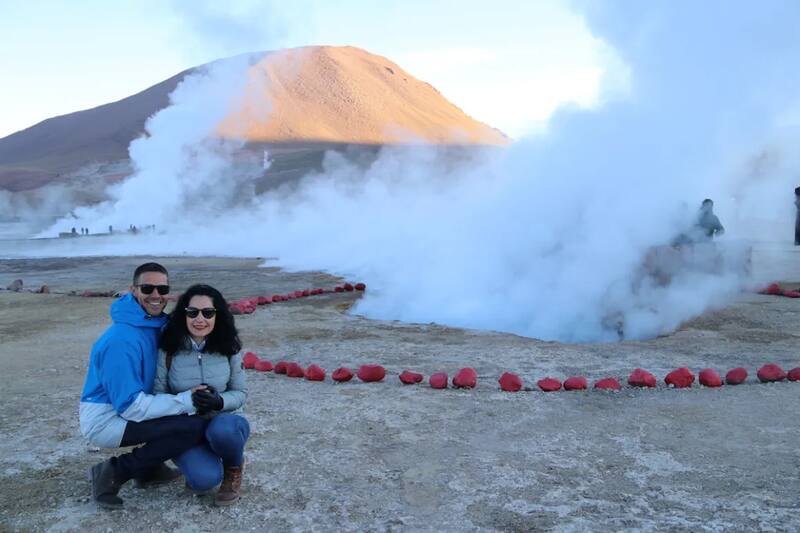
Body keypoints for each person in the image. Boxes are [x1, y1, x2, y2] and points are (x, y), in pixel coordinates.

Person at [80, 262, 207, 509]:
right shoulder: (120, 340)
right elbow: (130, 406)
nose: (156, 295)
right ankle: (113, 471)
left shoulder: (154, 325)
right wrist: (186, 400)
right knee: (190, 427)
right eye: (148, 288)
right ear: (133, 290)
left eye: (163, 289)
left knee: (188, 416)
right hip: (106, 417)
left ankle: (149, 469)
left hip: (131, 405)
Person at [155, 284, 249, 506]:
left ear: (218, 315)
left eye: (208, 313)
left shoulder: (229, 347)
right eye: (192, 312)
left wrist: (220, 401)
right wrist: (184, 402)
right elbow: (157, 394)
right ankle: (203, 462)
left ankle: (233, 467)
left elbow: (241, 393)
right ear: (184, 314)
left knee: (224, 430)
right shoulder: (168, 348)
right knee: (203, 481)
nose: (200, 319)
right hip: (184, 427)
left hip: (222, 422)